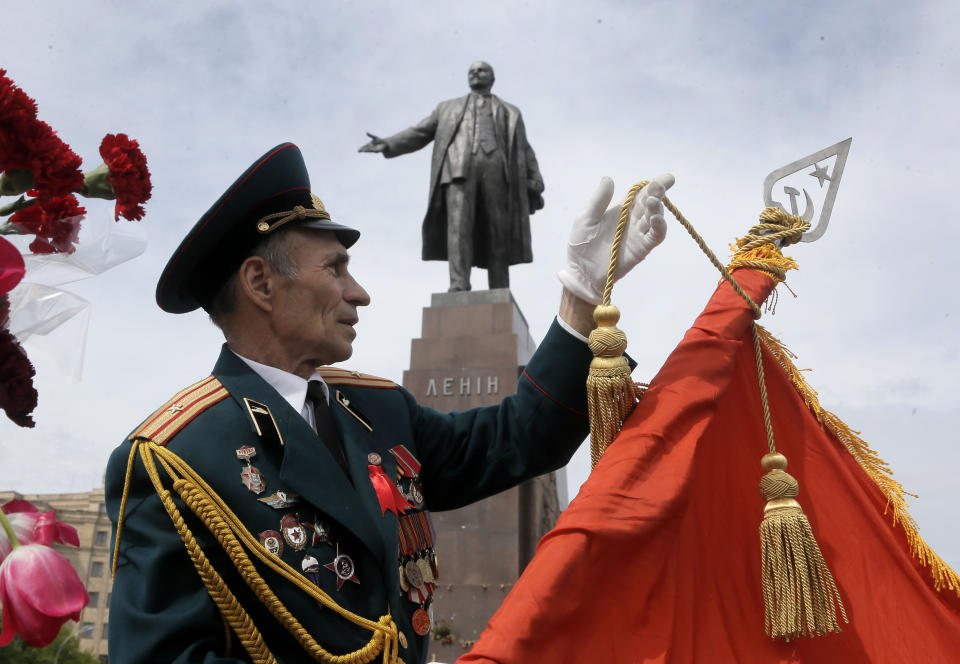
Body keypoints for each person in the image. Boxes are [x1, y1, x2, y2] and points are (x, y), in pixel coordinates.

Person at [105, 142, 674, 664]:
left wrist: (579, 296)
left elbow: (523, 437)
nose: (360, 293)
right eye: (335, 268)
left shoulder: (378, 410)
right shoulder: (173, 460)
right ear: (260, 283)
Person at [360, 61, 543, 292]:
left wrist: (535, 176)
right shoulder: (447, 108)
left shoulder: (511, 112)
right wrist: (388, 144)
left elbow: (524, 148)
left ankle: (499, 289)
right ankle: (458, 285)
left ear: (492, 78)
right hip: (457, 170)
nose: (476, 72)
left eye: (482, 70)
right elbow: (420, 132)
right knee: (458, 229)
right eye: (471, 71)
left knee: (498, 231)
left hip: (498, 171)